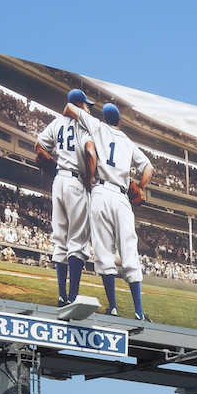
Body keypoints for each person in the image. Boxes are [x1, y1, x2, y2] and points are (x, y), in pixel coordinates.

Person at [64, 101, 154, 320]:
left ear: (105, 119)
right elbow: (149, 168)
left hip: (101, 193)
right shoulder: (129, 142)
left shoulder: (97, 126)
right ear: (120, 122)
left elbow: (69, 107)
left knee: (104, 251)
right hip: (122, 198)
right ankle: (139, 312)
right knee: (129, 251)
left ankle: (113, 307)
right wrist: (141, 187)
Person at [35, 89, 94, 306]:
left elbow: (38, 146)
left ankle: (61, 296)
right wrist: (89, 179)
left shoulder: (56, 123)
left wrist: (51, 161)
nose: (88, 108)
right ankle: (73, 296)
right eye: (86, 105)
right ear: (79, 105)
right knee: (77, 241)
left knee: (60, 240)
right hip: (76, 182)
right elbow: (89, 152)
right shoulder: (84, 125)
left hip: (58, 180)